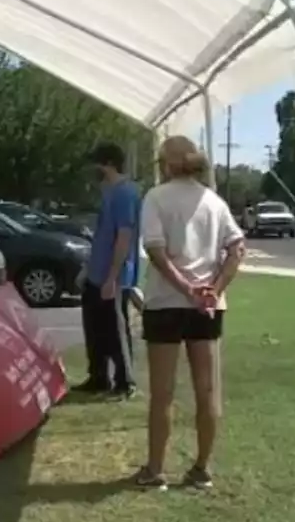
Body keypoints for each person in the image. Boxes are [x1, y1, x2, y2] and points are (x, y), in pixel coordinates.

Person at [133, 135, 246, 490]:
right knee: (207, 391)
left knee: (162, 393)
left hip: (166, 303)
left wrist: (185, 288)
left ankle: (155, 471)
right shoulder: (215, 201)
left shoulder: (156, 197)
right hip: (207, 308)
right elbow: (237, 248)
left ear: (167, 164)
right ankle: (201, 469)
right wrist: (214, 289)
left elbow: (155, 250)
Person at [77, 142, 142, 399]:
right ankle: (98, 377)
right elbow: (102, 235)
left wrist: (112, 277)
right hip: (96, 272)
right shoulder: (108, 192)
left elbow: (123, 237)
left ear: (108, 164)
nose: (95, 169)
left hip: (113, 276)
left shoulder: (126, 193)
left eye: (98, 164)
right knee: (94, 326)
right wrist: (88, 268)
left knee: (115, 328)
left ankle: (126, 382)